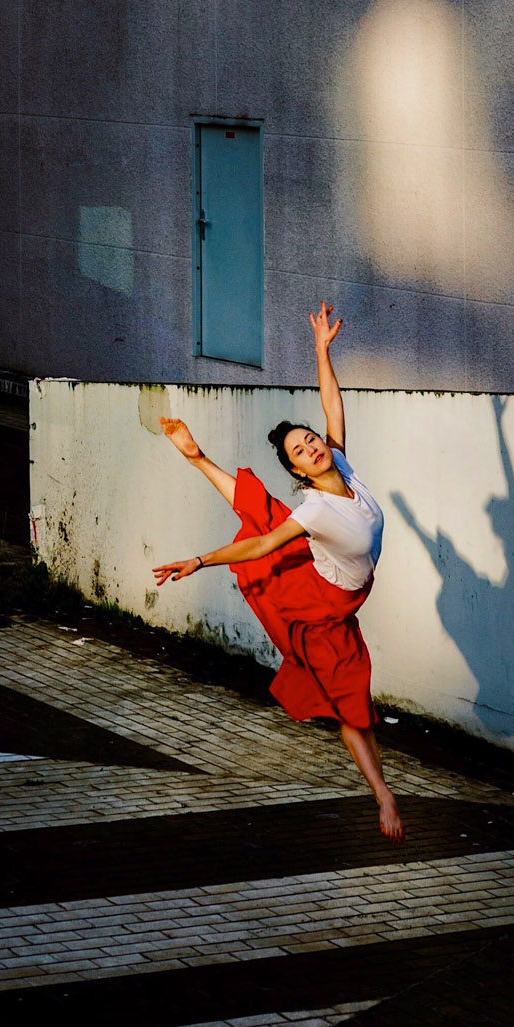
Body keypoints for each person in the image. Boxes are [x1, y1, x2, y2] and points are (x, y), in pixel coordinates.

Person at [152, 302, 402, 841]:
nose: (312, 447)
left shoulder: (343, 466)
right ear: (296, 470)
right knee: (349, 707)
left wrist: (320, 349)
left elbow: (333, 407)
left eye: (310, 440)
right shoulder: (313, 508)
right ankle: (383, 795)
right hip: (320, 606)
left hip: (345, 592)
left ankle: (198, 456)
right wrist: (198, 561)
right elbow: (264, 540)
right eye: (300, 451)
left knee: (265, 514)